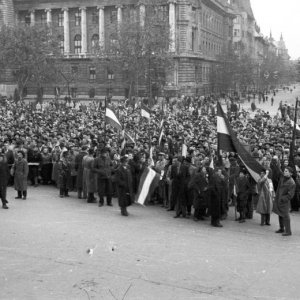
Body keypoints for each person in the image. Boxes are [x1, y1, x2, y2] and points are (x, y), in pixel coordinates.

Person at [273, 167, 296, 236]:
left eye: (286, 171)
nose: (284, 172)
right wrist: (276, 196)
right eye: (284, 171)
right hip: (279, 199)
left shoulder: (292, 182)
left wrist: (283, 199)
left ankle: (288, 231)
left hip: (284, 202)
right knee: (280, 214)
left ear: (290, 173)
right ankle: (281, 228)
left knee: (285, 216)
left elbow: (290, 195)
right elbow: (278, 188)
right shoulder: (282, 178)